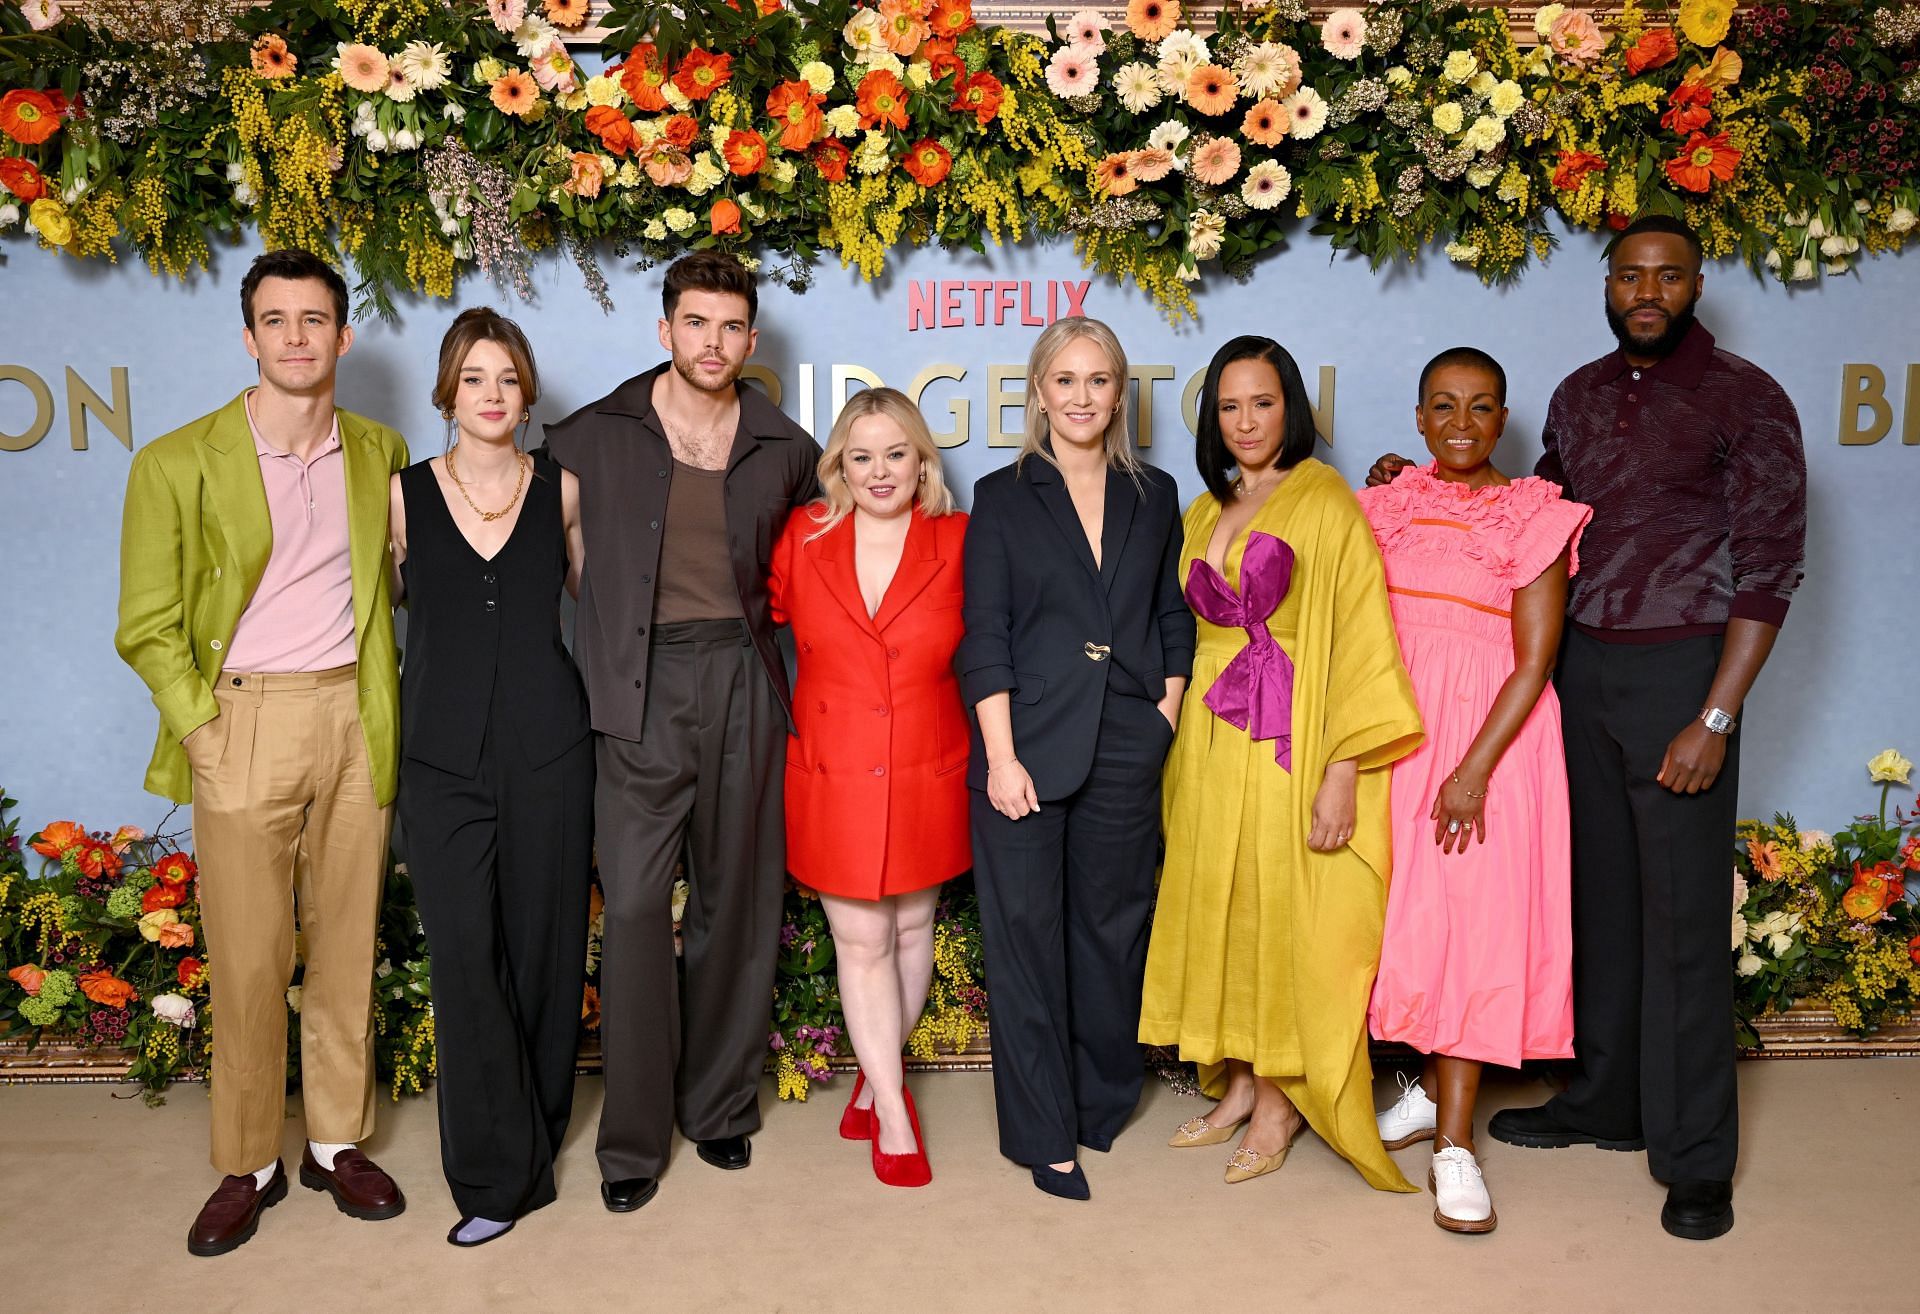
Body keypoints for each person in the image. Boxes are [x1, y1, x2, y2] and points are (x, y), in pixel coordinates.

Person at [1367, 215, 1807, 1240]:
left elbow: (1773, 567)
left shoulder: (1747, 398)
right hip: (1581, 670)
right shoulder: (1581, 393)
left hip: (1681, 671)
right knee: (1599, 900)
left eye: (1667, 276)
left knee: (1686, 918)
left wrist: (1715, 714)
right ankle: (1606, 1097)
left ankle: (1696, 1158)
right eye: (1629, 276)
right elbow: (1532, 512)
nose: (1646, 292)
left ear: (1698, 283)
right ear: (1609, 286)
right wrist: (1417, 480)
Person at [114, 248, 410, 1256]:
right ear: (249, 338)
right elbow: (148, 625)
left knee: (344, 943)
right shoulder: (175, 460)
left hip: (354, 717)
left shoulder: (381, 449)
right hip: (239, 719)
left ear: (343, 336)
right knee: (246, 958)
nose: (296, 336)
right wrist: (201, 729)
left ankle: (335, 1141)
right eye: (276, 320)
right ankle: (248, 1161)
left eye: (315, 319)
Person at [540, 252, 822, 1213]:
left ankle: (720, 1110)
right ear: (664, 330)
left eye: (732, 326)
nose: (714, 342)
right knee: (629, 914)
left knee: (735, 907)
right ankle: (631, 1141)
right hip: (637, 686)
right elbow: (551, 558)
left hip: (745, 680)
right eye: (696, 322)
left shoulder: (786, 446)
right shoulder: (589, 438)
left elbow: (816, 577)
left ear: (752, 339)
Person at [1138, 335, 1423, 1193]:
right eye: (1229, 406)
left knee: (1281, 906)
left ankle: (1280, 1102)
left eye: (1262, 403)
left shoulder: (1326, 500)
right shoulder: (1201, 507)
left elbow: (1362, 637)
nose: (1246, 421)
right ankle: (1237, 1081)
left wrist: (1343, 769)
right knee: (1220, 903)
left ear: (1290, 407)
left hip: (1292, 735)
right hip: (1210, 739)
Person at [957, 316, 1194, 1201]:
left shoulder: (1156, 492)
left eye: (1100, 381)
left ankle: (1100, 1102)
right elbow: (984, 632)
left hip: (1128, 742)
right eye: (1066, 380)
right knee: (1024, 945)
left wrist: (1164, 712)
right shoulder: (1002, 493)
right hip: (1023, 751)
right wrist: (999, 755)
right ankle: (1043, 1134)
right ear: (1039, 392)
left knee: (1112, 936)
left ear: (1119, 393)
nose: (1083, 397)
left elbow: (1172, 614)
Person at [1358, 347, 1592, 1234]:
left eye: (1482, 407)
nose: (1462, 423)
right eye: (1444, 406)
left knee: (1474, 932)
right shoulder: (1384, 505)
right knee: (1405, 919)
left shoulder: (1533, 516)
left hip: (1491, 746)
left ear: (1505, 420)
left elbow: (1535, 661)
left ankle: (1455, 1144)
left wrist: (1472, 770)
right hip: (1399, 733)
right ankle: (1419, 1093)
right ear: (1418, 418)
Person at [388, 308, 591, 1246]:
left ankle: (539, 1131)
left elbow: (606, 607)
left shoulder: (565, 491)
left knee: (546, 954)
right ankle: (493, 1174)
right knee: (466, 959)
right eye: (474, 378)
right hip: (438, 760)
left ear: (527, 390)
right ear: (447, 391)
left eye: (507, 378)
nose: (492, 395)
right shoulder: (398, 496)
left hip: (551, 751)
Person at [768, 387, 970, 1188]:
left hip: (929, 766)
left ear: (921, 459)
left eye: (896, 453)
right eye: (861, 456)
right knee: (861, 941)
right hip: (833, 770)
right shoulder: (801, 537)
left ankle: (873, 1071)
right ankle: (892, 1111)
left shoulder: (961, 539)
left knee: (912, 932)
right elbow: (750, 625)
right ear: (839, 468)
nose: (880, 471)